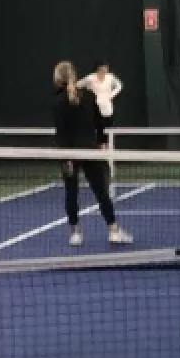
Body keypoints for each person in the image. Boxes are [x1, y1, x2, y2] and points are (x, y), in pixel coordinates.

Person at [52, 61, 132, 247]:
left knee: (71, 192)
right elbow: (99, 122)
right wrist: (101, 142)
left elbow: (61, 131)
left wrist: (66, 157)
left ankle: (76, 233)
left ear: (57, 78)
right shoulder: (88, 96)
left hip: (70, 152)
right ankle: (113, 230)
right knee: (101, 192)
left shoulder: (57, 102)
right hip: (89, 149)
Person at [76, 60, 123, 128]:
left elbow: (119, 86)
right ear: (98, 69)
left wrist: (111, 95)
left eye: (106, 68)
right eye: (102, 68)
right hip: (94, 107)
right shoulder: (90, 78)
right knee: (97, 127)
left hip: (107, 106)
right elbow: (78, 85)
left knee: (108, 126)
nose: (104, 70)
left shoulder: (110, 77)